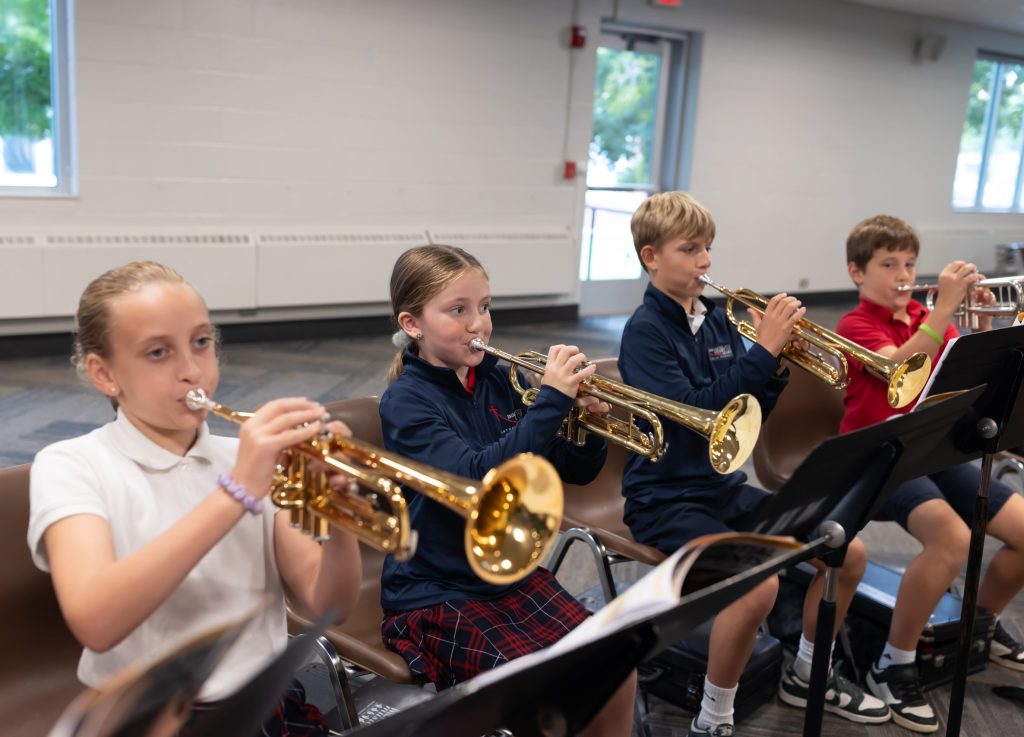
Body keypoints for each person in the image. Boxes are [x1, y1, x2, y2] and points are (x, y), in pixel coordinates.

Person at [28, 261, 362, 736]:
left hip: (264, 703)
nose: (192, 371)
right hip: (148, 721)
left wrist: (337, 514)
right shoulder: (70, 464)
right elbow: (96, 621)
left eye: (202, 342)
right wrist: (237, 491)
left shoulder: (244, 459)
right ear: (105, 374)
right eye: (158, 352)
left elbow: (329, 602)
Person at [618, 192, 890, 737]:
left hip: (721, 488)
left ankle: (810, 673)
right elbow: (700, 415)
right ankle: (713, 718)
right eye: (690, 249)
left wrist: (776, 367)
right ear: (651, 257)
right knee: (755, 586)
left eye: (709, 248)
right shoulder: (644, 332)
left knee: (847, 548)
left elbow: (744, 420)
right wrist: (761, 354)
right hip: (665, 500)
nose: (706, 263)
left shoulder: (718, 320)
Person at [378, 244, 636, 737]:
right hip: (436, 590)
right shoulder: (405, 402)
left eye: (485, 306)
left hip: (505, 570)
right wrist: (550, 404)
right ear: (413, 324)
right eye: (458, 310)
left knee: (615, 663)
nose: (479, 324)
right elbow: (477, 478)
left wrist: (581, 424)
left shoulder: (497, 380)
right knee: (541, 701)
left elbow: (574, 472)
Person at [836, 215, 1024, 733]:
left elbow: (971, 377)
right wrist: (941, 312)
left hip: (938, 445)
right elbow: (897, 367)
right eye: (888, 264)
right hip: (883, 454)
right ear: (856, 271)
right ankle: (892, 663)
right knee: (952, 541)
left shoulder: (923, 312)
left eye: (910, 263)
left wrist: (981, 327)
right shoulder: (855, 327)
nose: (903, 274)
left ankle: (976, 627)